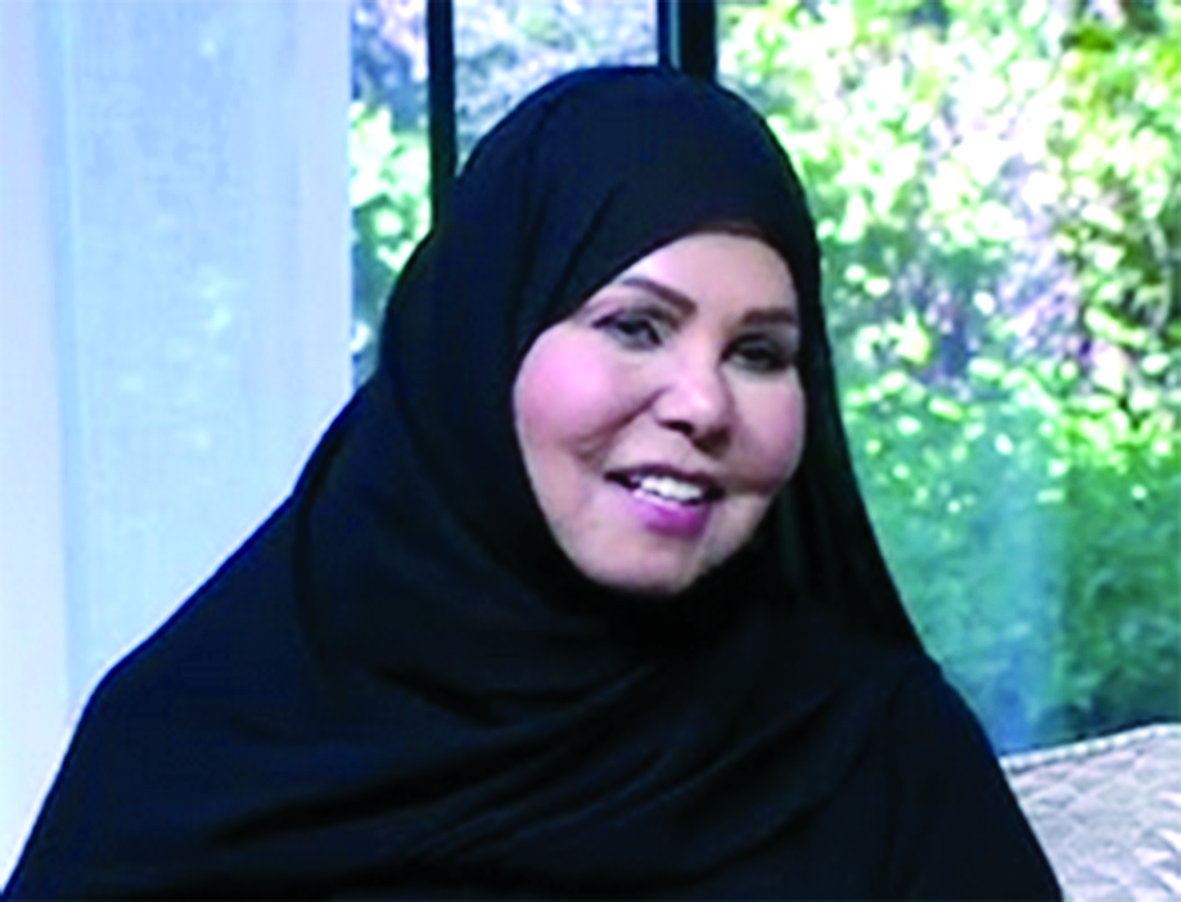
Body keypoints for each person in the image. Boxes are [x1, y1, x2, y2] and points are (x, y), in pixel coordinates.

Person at [4, 67, 1060, 899]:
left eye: (758, 353)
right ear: (481, 346)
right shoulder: (195, 748)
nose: (703, 403)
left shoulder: (877, 755)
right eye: (634, 326)